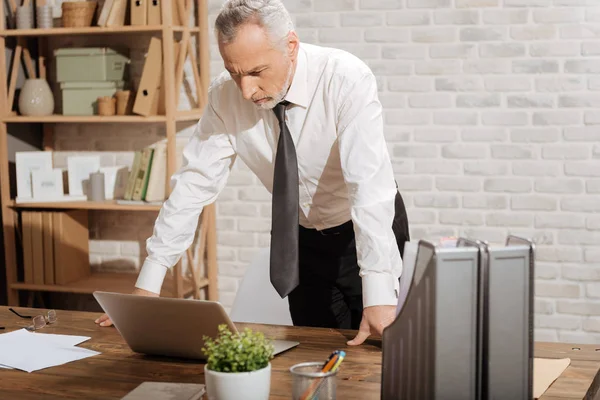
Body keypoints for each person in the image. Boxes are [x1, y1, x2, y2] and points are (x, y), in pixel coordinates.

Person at [95, 0, 409, 346]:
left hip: (367, 231)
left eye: (257, 72)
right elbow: (193, 184)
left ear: (291, 46)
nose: (246, 91)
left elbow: (368, 185)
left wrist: (380, 290)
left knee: (385, 353)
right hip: (300, 239)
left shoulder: (345, 78)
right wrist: (148, 285)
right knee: (320, 352)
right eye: (234, 72)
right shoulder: (224, 97)